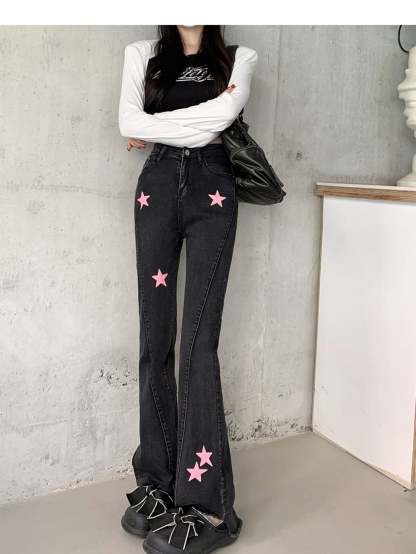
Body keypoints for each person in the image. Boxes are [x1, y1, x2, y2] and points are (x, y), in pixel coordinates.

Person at [118, 24, 258, 554]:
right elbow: (127, 121)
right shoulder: (143, 54)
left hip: (213, 189)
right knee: (154, 339)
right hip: (156, 186)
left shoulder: (240, 58)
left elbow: (222, 119)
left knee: (199, 345)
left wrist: (156, 124)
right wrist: (178, 126)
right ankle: (158, 481)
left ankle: (210, 507)